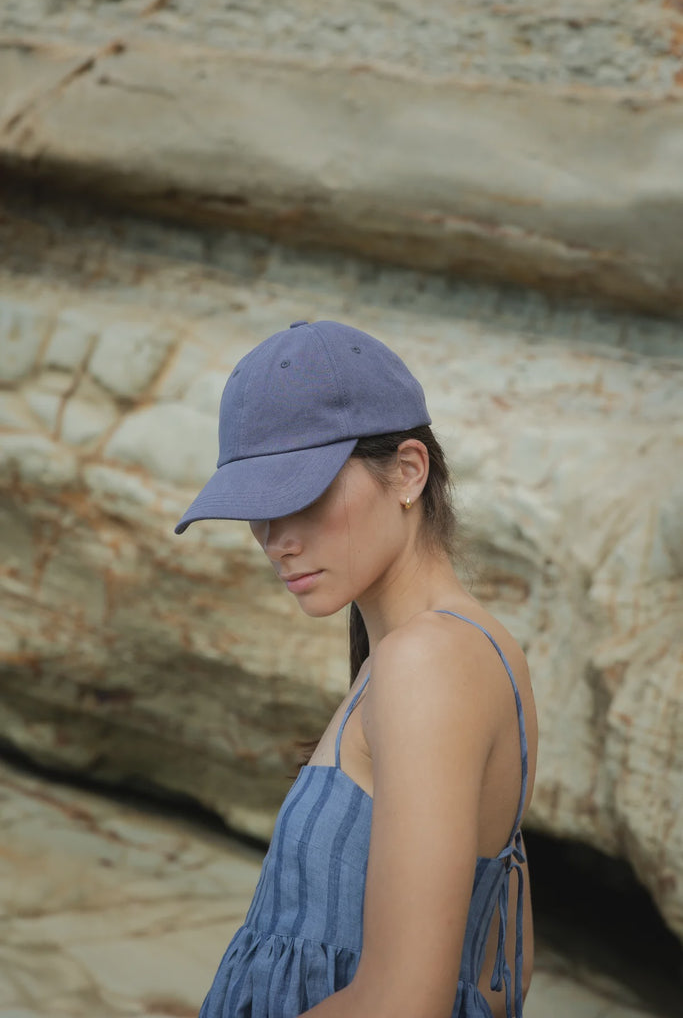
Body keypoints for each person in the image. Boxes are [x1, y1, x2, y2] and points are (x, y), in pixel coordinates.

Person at [175, 319, 538, 1018]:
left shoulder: (428, 662)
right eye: (256, 508)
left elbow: (402, 1003)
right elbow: (507, 956)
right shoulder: (458, 649)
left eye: (299, 494)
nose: (276, 541)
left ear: (407, 470)